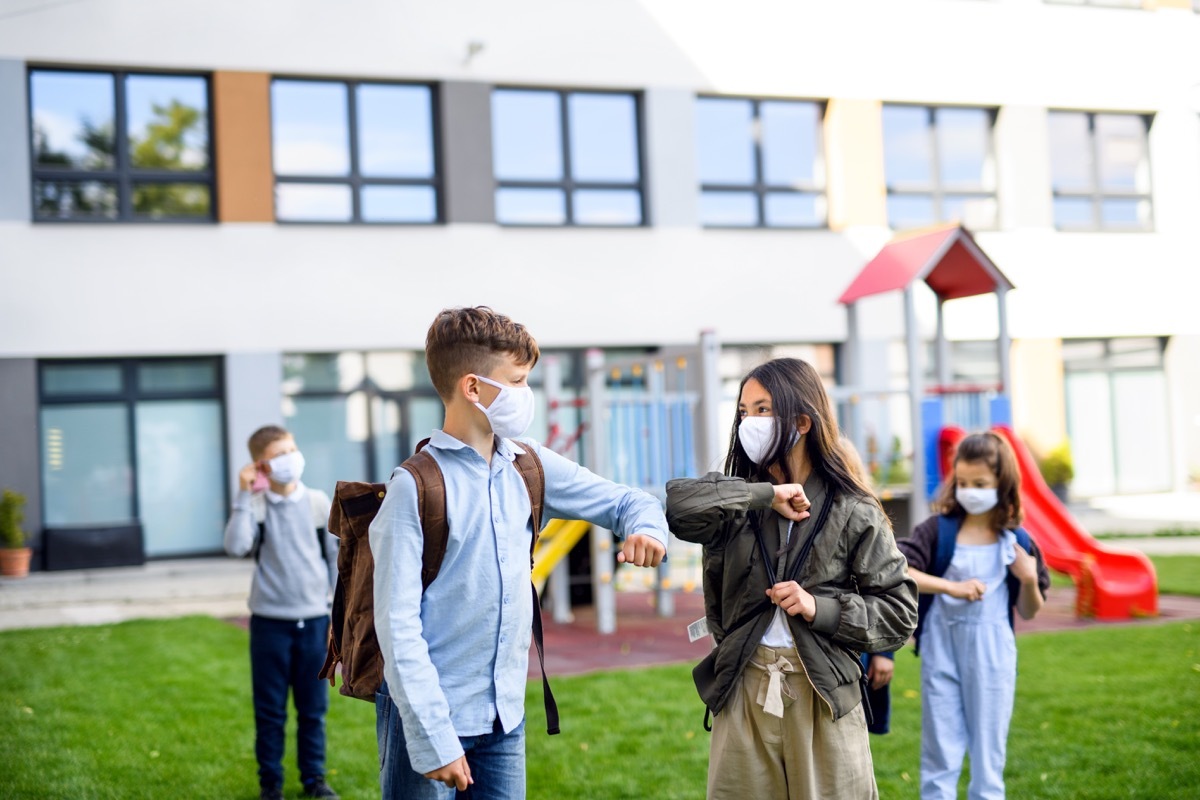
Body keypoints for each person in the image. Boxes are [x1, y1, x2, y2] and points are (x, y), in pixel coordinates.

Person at [371, 306, 669, 799]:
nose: (526, 395)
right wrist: (435, 739)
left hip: (505, 717)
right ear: (473, 388)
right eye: (517, 381)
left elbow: (627, 500)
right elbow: (397, 627)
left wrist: (647, 530)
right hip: (428, 717)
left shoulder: (528, 464)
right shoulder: (413, 486)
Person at [665, 357, 918, 800]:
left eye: (763, 410)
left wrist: (821, 609)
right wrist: (764, 495)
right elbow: (680, 507)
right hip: (743, 686)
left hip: (822, 695)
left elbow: (899, 612)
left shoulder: (853, 508)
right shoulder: (736, 501)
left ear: (802, 421)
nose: (750, 423)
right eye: (744, 411)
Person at [896, 431, 1051, 800]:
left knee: (988, 756)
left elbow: (1029, 611)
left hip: (993, 654)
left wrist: (1028, 579)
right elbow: (902, 571)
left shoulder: (1019, 540)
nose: (970, 491)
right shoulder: (937, 530)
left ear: (1003, 483)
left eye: (980, 483)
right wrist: (952, 587)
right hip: (941, 648)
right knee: (940, 753)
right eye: (962, 483)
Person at [224, 425, 340, 800]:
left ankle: (314, 780)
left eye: (292, 448)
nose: (291, 457)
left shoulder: (319, 502)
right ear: (261, 465)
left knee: (313, 711)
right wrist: (244, 494)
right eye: (279, 454)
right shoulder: (255, 507)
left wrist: (336, 616)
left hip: (314, 624)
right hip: (269, 626)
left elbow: (336, 562)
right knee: (270, 712)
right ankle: (270, 784)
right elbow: (237, 547)